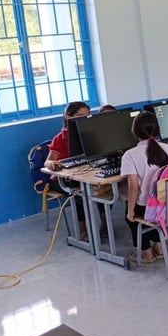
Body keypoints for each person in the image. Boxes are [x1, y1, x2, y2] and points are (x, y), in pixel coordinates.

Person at [121, 111, 168, 263]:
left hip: (149, 208)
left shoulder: (130, 155)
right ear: (158, 129)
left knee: (132, 216)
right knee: (151, 209)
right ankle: (159, 248)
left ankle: (146, 253)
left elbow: (134, 188)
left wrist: (130, 212)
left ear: (134, 131)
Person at [44, 101, 93, 239]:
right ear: (68, 117)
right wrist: (52, 163)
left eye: (87, 115)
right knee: (77, 193)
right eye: (80, 115)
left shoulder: (89, 134)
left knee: (102, 186)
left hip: (84, 173)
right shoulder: (60, 138)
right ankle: (83, 230)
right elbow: (47, 162)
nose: (85, 119)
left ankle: (104, 224)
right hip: (62, 180)